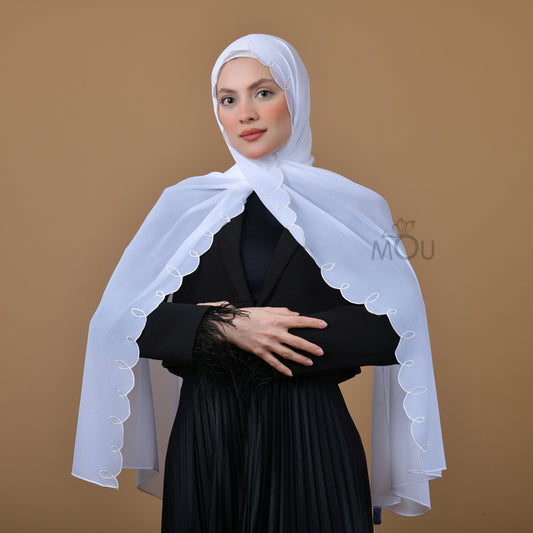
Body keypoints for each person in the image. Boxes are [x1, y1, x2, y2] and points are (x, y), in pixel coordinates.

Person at [72, 34, 445, 533]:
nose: (245, 113)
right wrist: (227, 325)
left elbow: (393, 329)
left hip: (310, 435)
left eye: (263, 92)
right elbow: (123, 323)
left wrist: (272, 334)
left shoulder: (354, 207)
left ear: (296, 96)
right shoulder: (188, 205)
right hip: (207, 440)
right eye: (228, 99)